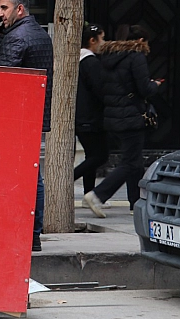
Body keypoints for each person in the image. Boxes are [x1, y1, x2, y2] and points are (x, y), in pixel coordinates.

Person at [0, 0, 53, 252]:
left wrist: (1, 43)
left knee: (21, 175)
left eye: (4, 8)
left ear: (19, 9)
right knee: (33, 174)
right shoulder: (40, 34)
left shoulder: (16, 38)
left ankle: (26, 234)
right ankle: (34, 234)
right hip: (33, 114)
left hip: (14, 118)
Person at [83, 25, 161, 218]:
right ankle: (98, 195)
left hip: (113, 117)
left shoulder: (108, 58)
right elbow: (144, 89)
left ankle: (136, 202)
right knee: (130, 162)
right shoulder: (136, 57)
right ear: (141, 41)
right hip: (131, 117)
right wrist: (155, 85)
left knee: (133, 161)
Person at [74, 23, 109, 207]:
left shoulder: (79, 61)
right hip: (91, 117)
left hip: (82, 116)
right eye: (102, 38)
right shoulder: (91, 62)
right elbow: (100, 90)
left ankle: (89, 193)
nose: (104, 43)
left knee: (91, 156)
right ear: (92, 40)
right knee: (100, 155)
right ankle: (74, 180)